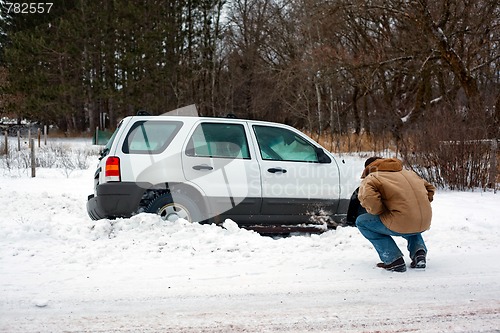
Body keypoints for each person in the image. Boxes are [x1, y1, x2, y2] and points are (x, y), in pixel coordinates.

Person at [355, 157, 436, 272]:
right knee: (408, 216)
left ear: (368, 168)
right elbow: (430, 188)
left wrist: (380, 211)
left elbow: (369, 199)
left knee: (362, 222)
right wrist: (420, 204)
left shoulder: (372, 177)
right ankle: (419, 253)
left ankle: (393, 260)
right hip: (424, 221)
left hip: (402, 221)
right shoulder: (409, 173)